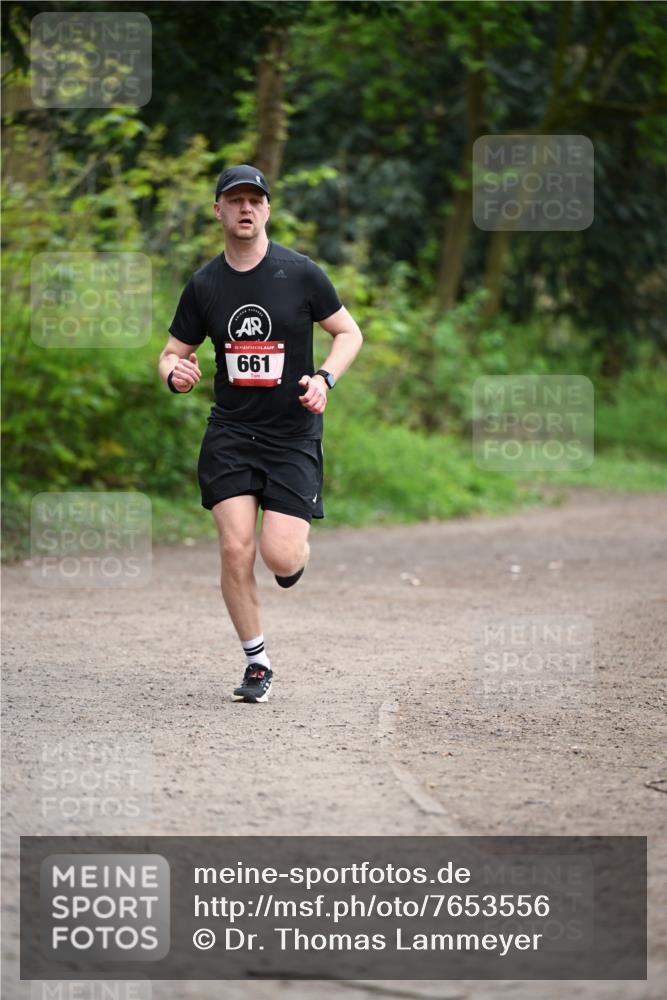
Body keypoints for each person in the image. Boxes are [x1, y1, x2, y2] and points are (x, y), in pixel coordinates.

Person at [158, 164, 363, 703]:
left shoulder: (300, 274)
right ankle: (256, 662)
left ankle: (294, 556)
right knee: (234, 548)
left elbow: (348, 332)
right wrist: (175, 374)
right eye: (235, 200)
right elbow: (172, 354)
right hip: (231, 431)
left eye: (255, 200)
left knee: (280, 556)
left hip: (293, 434)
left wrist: (325, 378)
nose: (246, 208)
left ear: (267, 209)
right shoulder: (204, 284)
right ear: (219, 210)